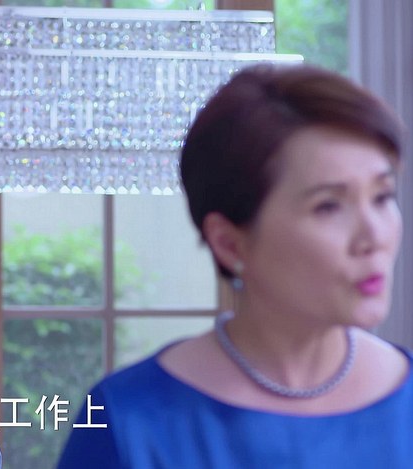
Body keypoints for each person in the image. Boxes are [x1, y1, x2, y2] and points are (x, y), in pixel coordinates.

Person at [58, 63, 411, 468]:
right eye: (328, 206)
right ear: (229, 243)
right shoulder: (127, 421)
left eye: (383, 197)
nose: (374, 237)